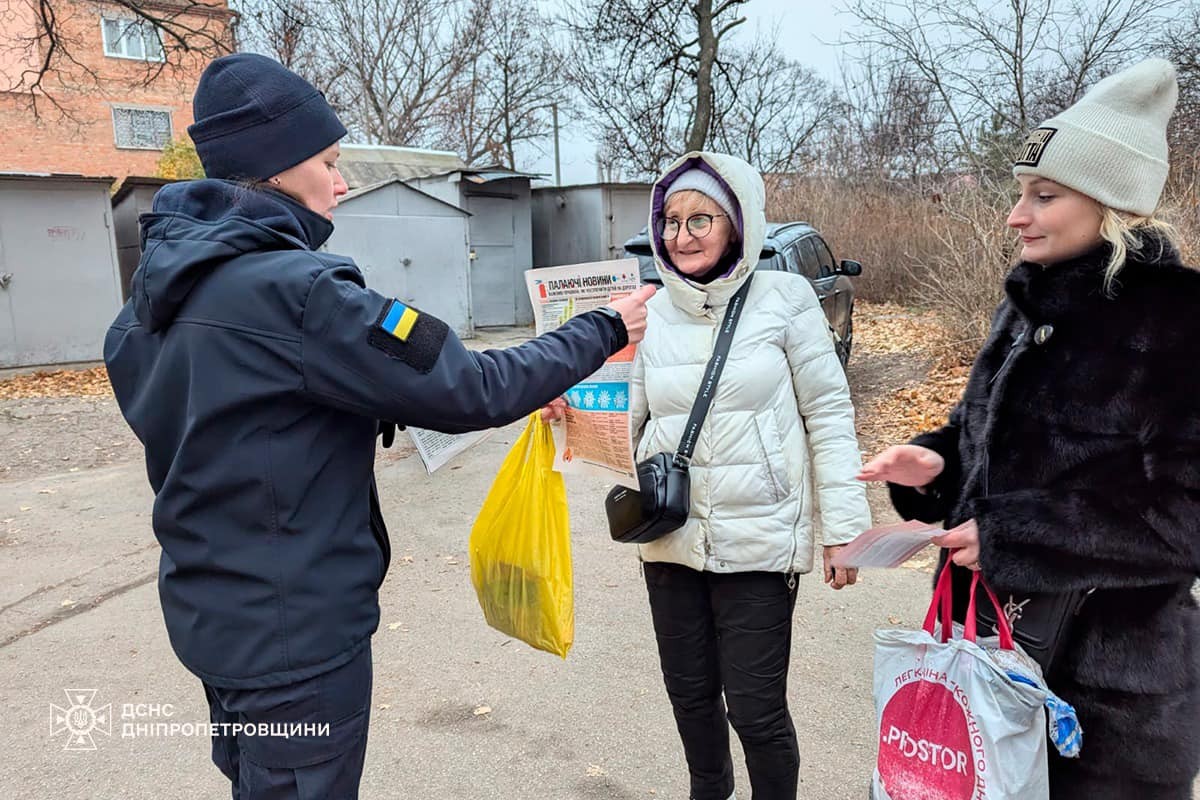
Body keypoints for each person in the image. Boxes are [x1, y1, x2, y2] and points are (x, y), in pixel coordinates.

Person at [103, 53, 654, 800]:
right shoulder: (297, 292)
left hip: (213, 619)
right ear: (275, 164)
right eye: (328, 162)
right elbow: (471, 386)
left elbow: (247, 418)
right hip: (295, 638)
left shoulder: (150, 303)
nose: (341, 181)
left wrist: (380, 397)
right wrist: (600, 330)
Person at [859, 58, 1200, 799]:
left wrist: (1017, 536)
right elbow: (981, 444)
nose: (1016, 216)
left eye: (1042, 196)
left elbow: (1186, 517)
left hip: (1112, 710)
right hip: (992, 674)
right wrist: (932, 463)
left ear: (1110, 204)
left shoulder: (1178, 323)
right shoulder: (1022, 310)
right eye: (1020, 195)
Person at [628, 152, 872, 800]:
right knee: (690, 700)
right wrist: (564, 411)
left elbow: (829, 412)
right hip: (671, 540)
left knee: (757, 713)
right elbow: (625, 420)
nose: (682, 236)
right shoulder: (649, 313)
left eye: (699, 219)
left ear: (737, 223)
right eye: (671, 221)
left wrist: (843, 528)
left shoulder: (786, 300)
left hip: (760, 540)